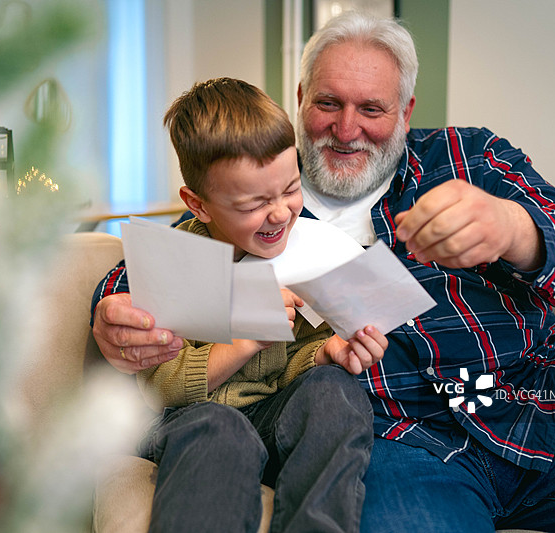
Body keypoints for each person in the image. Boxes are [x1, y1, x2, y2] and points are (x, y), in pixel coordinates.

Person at [92, 12, 555, 533]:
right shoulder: (257, 185)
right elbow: (156, 268)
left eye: (372, 109)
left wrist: (514, 229)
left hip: (539, 398)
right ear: (301, 99)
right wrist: (113, 314)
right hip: (397, 439)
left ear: (405, 111)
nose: (346, 128)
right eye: (328, 103)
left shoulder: (469, 157)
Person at [119, 77, 388, 533]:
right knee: (219, 427)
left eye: (290, 189)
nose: (280, 213)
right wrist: (246, 340)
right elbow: (160, 388)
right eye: (253, 204)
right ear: (199, 205)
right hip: (192, 419)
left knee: (334, 391)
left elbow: (286, 371)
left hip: (274, 414)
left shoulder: (310, 250)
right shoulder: (176, 261)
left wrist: (325, 354)